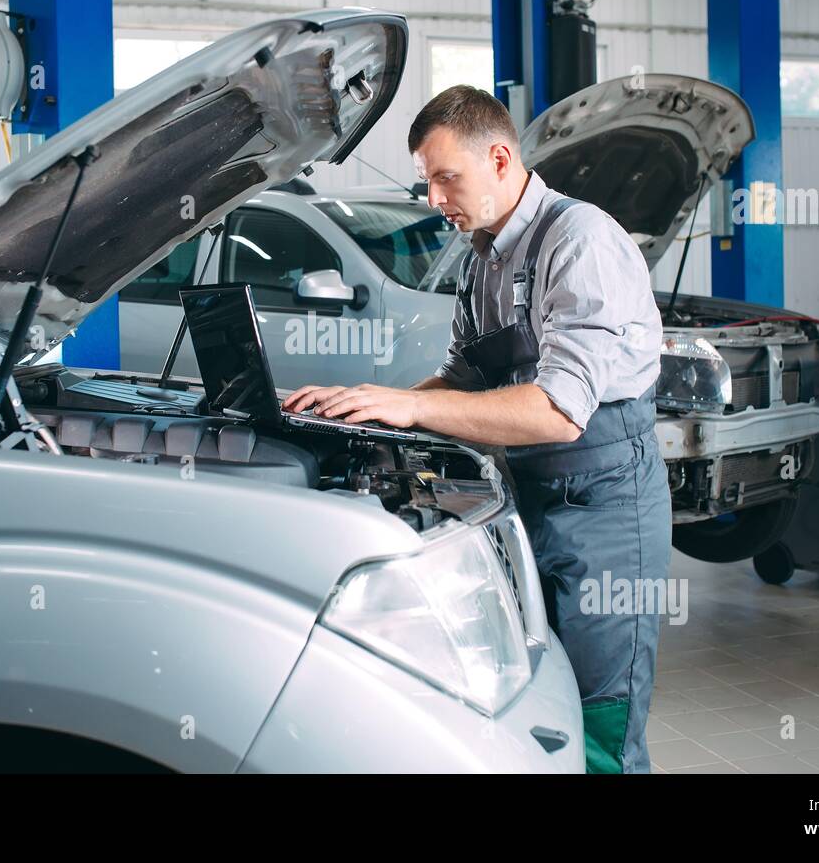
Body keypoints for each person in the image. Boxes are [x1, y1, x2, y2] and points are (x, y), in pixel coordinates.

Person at [283, 84, 672, 773]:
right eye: (426, 181)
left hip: (607, 503)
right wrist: (369, 406)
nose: (433, 199)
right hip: (527, 497)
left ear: (499, 158)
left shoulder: (580, 241)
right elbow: (462, 381)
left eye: (445, 178)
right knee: (538, 708)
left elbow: (558, 409)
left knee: (600, 722)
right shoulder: (483, 259)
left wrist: (414, 409)